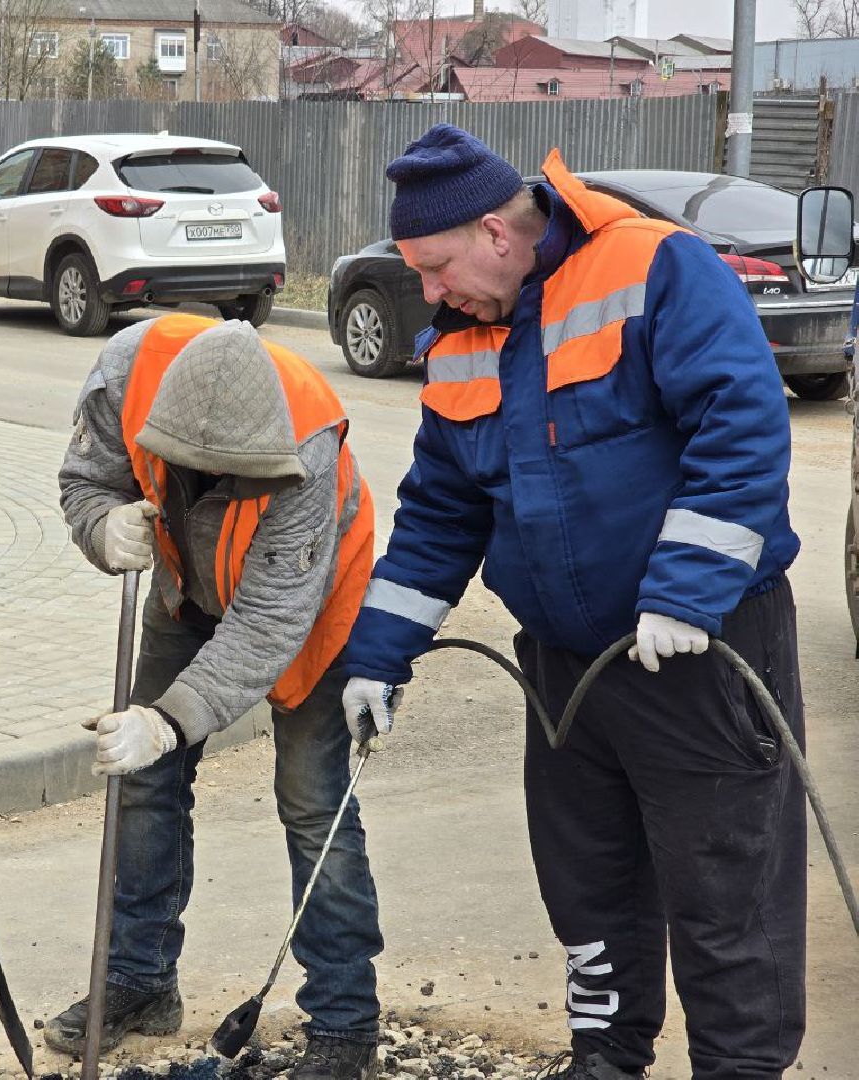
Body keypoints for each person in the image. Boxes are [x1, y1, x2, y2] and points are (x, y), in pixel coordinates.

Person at [343, 124, 805, 1080]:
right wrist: (377, 658)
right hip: (566, 670)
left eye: (433, 269)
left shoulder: (655, 267)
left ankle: (743, 1069)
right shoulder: (465, 343)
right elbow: (438, 513)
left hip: (699, 650)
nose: (428, 294)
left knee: (724, 896)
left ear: (495, 234)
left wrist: (685, 593)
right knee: (590, 890)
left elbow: (745, 426)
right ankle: (607, 1059)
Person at [52, 313, 386, 1078]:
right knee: (142, 784)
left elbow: (267, 625)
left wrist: (167, 721)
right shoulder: (123, 377)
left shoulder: (309, 448)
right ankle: (138, 983)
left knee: (312, 801)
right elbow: (85, 480)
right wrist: (102, 527)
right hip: (185, 592)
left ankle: (344, 1019)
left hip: (308, 609)